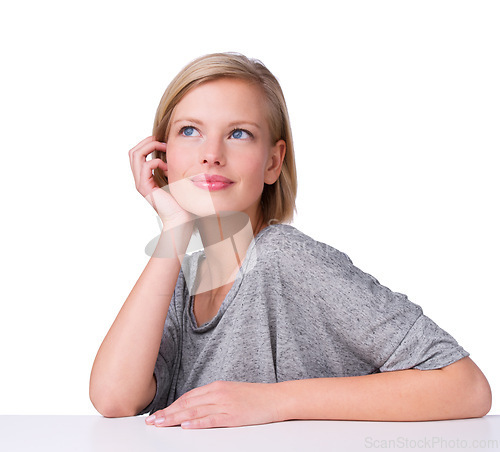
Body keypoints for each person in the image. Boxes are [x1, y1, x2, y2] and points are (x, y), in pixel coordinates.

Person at [89, 52, 492, 429]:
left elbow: (465, 386)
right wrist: (174, 229)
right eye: (190, 131)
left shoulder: (284, 257)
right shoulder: (185, 272)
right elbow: (113, 399)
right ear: (163, 154)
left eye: (239, 133)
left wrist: (275, 401)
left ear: (273, 162)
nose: (211, 154)